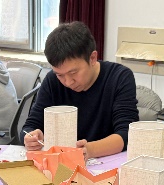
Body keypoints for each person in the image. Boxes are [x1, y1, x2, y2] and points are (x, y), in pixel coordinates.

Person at [22, 21, 138, 159]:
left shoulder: (119, 77)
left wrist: (90, 150)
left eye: (73, 73)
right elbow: (29, 126)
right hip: (62, 162)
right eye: (60, 75)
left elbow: (127, 134)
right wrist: (31, 137)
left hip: (105, 161)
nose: (68, 82)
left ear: (92, 58)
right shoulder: (52, 81)